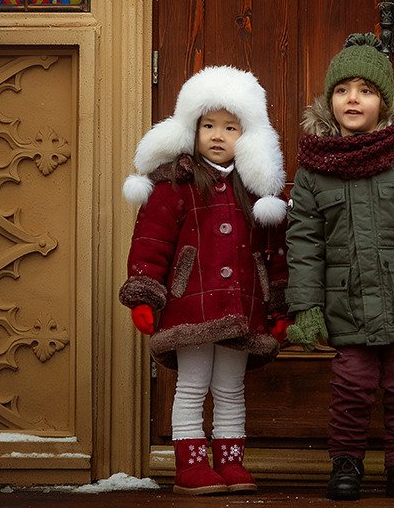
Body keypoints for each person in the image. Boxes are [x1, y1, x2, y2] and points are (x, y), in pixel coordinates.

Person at [285, 33, 394, 502]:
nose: (353, 98)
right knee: (351, 387)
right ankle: (346, 464)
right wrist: (305, 307)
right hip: (345, 302)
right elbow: (304, 242)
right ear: (329, 100)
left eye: (366, 90)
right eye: (342, 90)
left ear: (385, 102)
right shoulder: (315, 167)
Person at [119, 65, 288, 495]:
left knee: (230, 386)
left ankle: (230, 463)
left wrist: (280, 303)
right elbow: (151, 242)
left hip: (241, 306)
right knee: (193, 385)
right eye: (208, 125)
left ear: (247, 135)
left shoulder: (258, 193)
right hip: (188, 303)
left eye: (230, 127)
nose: (217, 135)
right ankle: (190, 464)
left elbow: (276, 254)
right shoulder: (175, 184)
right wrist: (145, 295)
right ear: (191, 129)